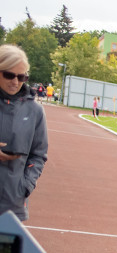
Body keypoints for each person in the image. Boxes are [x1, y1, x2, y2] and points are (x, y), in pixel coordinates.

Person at [0, 45, 48, 221]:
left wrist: (25, 186)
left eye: (21, 77)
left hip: (13, 205)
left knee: (6, 250)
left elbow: (38, 155)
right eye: (9, 75)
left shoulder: (34, 111)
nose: (15, 82)